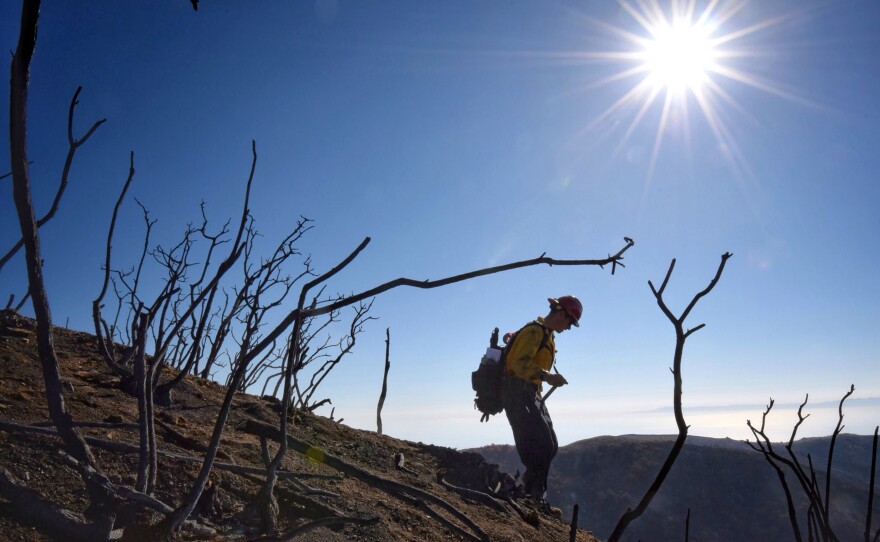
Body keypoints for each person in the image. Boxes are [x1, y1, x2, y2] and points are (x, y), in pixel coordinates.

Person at [502, 295, 582, 511]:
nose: (569, 328)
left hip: (530, 393)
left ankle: (531, 492)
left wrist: (544, 378)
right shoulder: (534, 331)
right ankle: (534, 498)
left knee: (551, 445)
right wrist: (547, 377)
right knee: (541, 445)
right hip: (517, 392)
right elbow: (518, 364)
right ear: (561, 313)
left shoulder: (548, 336)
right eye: (569, 322)